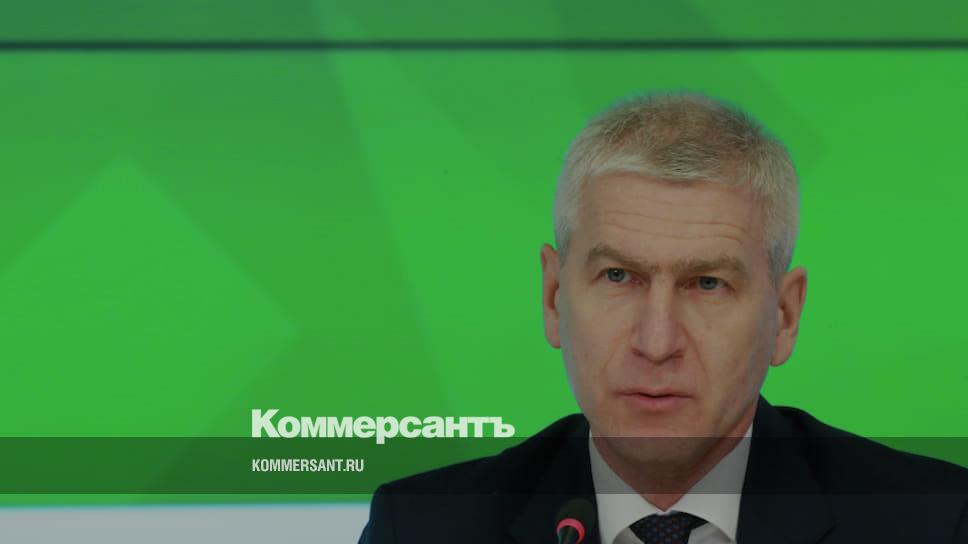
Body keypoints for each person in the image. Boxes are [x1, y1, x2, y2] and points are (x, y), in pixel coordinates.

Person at [358, 92, 968, 543]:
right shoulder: (422, 526)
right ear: (553, 297)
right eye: (618, 277)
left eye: (707, 284)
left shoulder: (937, 523)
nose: (656, 342)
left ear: (784, 316)